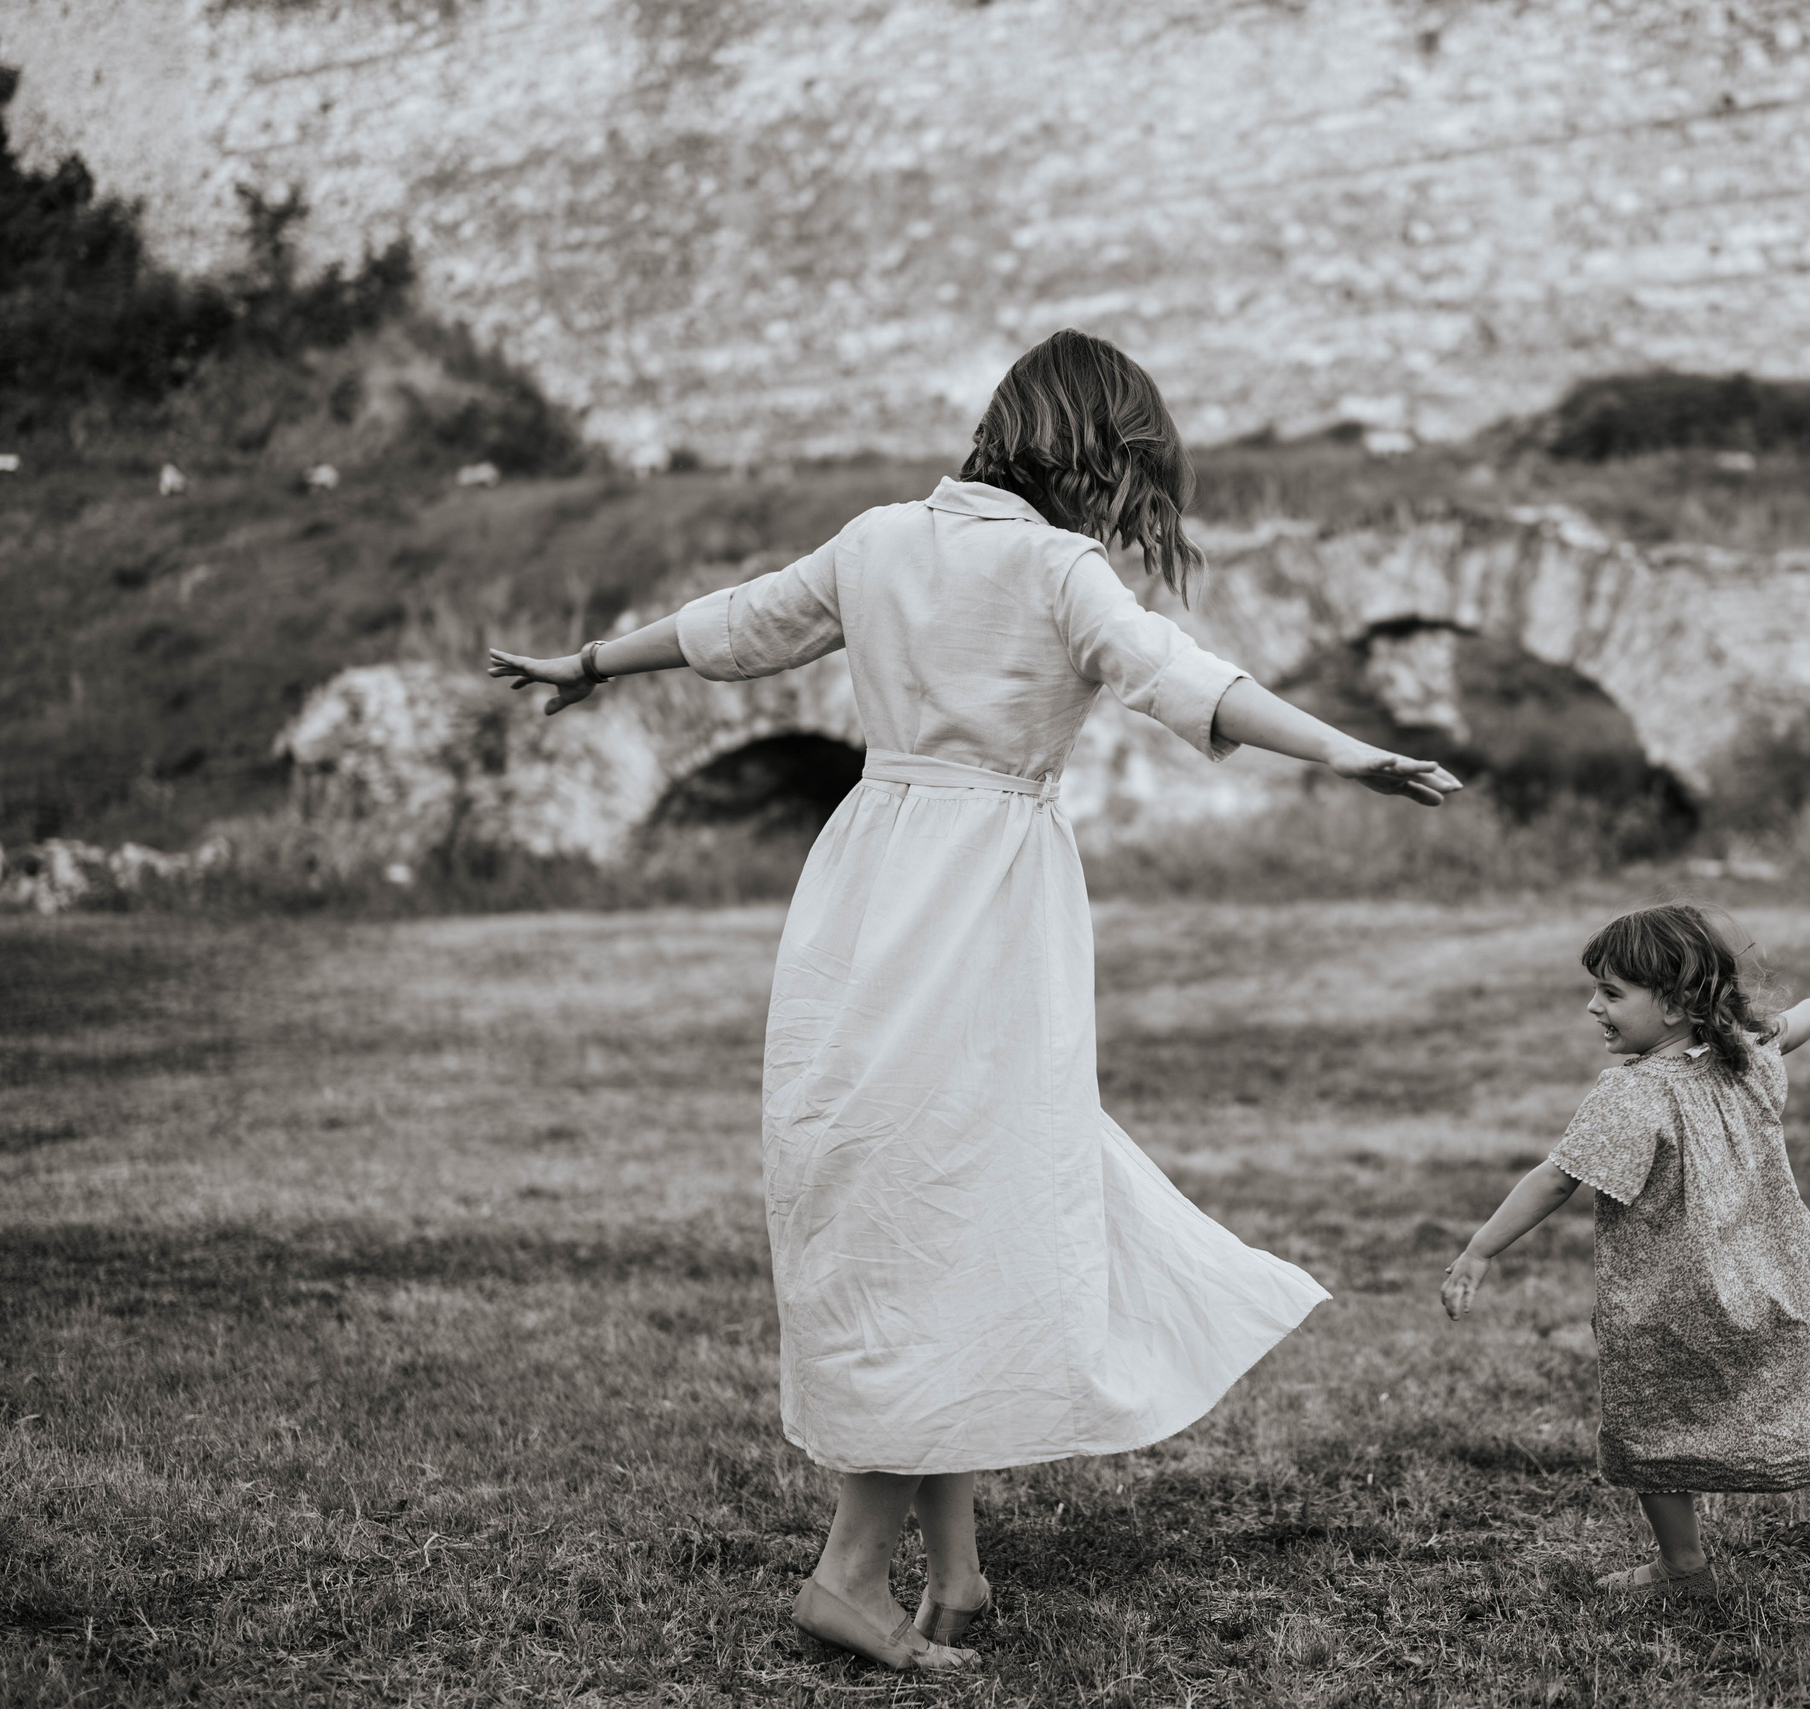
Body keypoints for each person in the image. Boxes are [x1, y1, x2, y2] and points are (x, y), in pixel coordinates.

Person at [488, 330, 1461, 1672]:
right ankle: (845, 1576)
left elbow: (740, 623)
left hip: (866, 887)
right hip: (986, 898)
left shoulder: (882, 538)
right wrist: (1349, 752)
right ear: (1095, 453)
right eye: (1132, 470)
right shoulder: (1056, 565)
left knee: (925, 1195)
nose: (1130, 503)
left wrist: (591, 663)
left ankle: (958, 1573)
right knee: (959, 1201)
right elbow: (1187, 682)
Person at [1439, 903, 1810, 1604]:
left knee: (1650, 1428)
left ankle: (1683, 1568)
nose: (1593, 1005)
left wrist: (1480, 1250)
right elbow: (1785, 1030)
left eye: (1612, 993)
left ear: (1678, 1003)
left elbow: (1557, 1176)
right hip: (1777, 1277)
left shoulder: (1633, 1092)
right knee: (1789, 1416)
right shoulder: (1738, 1054)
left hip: (1669, 1302)